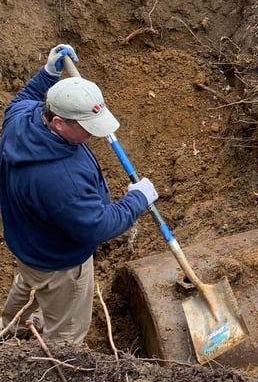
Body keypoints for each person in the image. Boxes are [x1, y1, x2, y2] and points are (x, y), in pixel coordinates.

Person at [0, 44, 158, 345]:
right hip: (61, 265)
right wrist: (138, 198)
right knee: (68, 336)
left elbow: (24, 98)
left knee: (27, 291)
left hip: (29, 248)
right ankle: (54, 365)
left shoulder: (22, 120)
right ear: (58, 122)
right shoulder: (62, 180)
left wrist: (47, 74)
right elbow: (97, 225)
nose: (94, 134)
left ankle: (9, 333)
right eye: (86, 127)